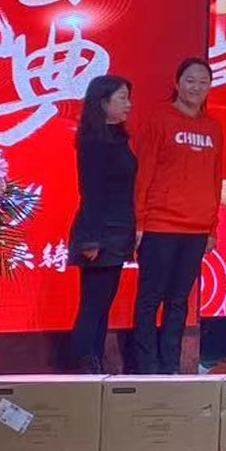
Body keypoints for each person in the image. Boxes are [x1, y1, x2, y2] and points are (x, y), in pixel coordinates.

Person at [131, 58, 223, 374]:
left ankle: (170, 365)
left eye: (203, 81)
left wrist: (212, 227)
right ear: (177, 83)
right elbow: (143, 172)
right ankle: (146, 366)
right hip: (160, 225)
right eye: (190, 80)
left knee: (179, 301)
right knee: (150, 298)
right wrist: (139, 221)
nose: (196, 87)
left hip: (196, 229)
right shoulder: (159, 118)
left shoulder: (213, 127)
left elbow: (214, 178)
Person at [66, 75, 136, 374]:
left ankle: (94, 365)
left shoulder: (118, 137)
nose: (128, 104)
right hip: (99, 234)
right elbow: (91, 191)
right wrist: (91, 239)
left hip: (119, 231)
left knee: (102, 305)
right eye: (122, 98)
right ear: (103, 102)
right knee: (93, 305)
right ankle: (84, 365)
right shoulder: (93, 141)